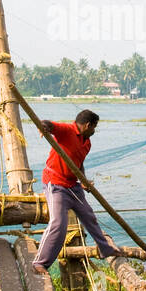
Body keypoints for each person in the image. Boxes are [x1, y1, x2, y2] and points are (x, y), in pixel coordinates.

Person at [32, 110, 120, 274]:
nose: (94, 131)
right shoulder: (67, 131)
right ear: (88, 125)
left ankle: (104, 249)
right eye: (94, 127)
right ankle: (40, 263)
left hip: (73, 186)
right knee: (58, 224)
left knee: (89, 216)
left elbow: (78, 163)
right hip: (56, 183)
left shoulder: (87, 143)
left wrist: (84, 181)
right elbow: (50, 125)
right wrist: (43, 127)